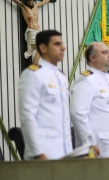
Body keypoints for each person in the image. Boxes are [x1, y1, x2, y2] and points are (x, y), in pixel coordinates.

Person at [18, 30, 72, 160]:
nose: (63, 48)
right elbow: (27, 116)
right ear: (43, 48)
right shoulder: (32, 74)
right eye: (57, 44)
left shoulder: (61, 76)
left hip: (64, 151)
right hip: (44, 153)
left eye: (62, 44)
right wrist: (38, 153)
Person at [70, 42, 109, 158]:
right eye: (104, 52)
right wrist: (89, 143)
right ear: (92, 58)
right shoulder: (87, 80)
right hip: (100, 148)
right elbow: (78, 113)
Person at [0, 0, 56, 64]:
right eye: (29, 1)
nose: (31, 3)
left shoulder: (36, 6)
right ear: (26, 1)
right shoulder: (23, 7)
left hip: (38, 31)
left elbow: (44, 1)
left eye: (32, 1)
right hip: (31, 32)